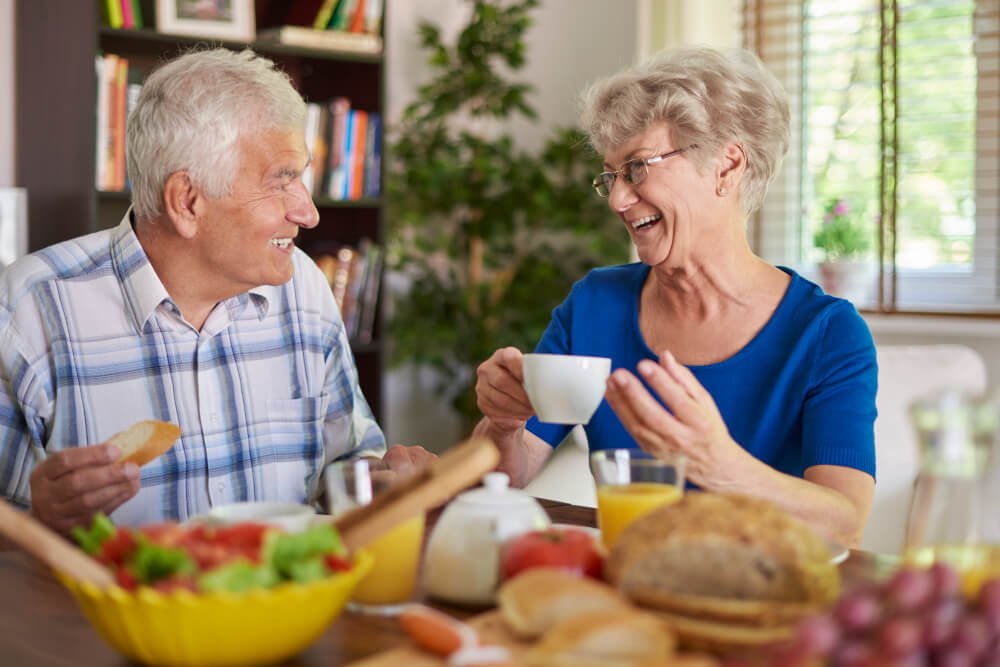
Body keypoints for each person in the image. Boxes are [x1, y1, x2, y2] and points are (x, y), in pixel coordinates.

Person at [0, 48, 433, 536]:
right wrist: (40, 520)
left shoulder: (305, 287)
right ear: (187, 201)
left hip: (291, 605)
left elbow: (345, 465)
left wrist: (379, 483)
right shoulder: (27, 311)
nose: (307, 213)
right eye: (281, 182)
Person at [474, 47, 876, 546]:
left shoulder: (825, 333)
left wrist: (718, 463)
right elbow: (509, 475)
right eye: (612, 176)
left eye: (637, 168)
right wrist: (504, 424)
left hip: (761, 600)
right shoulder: (596, 304)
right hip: (628, 584)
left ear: (727, 167)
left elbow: (845, 522)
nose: (619, 199)